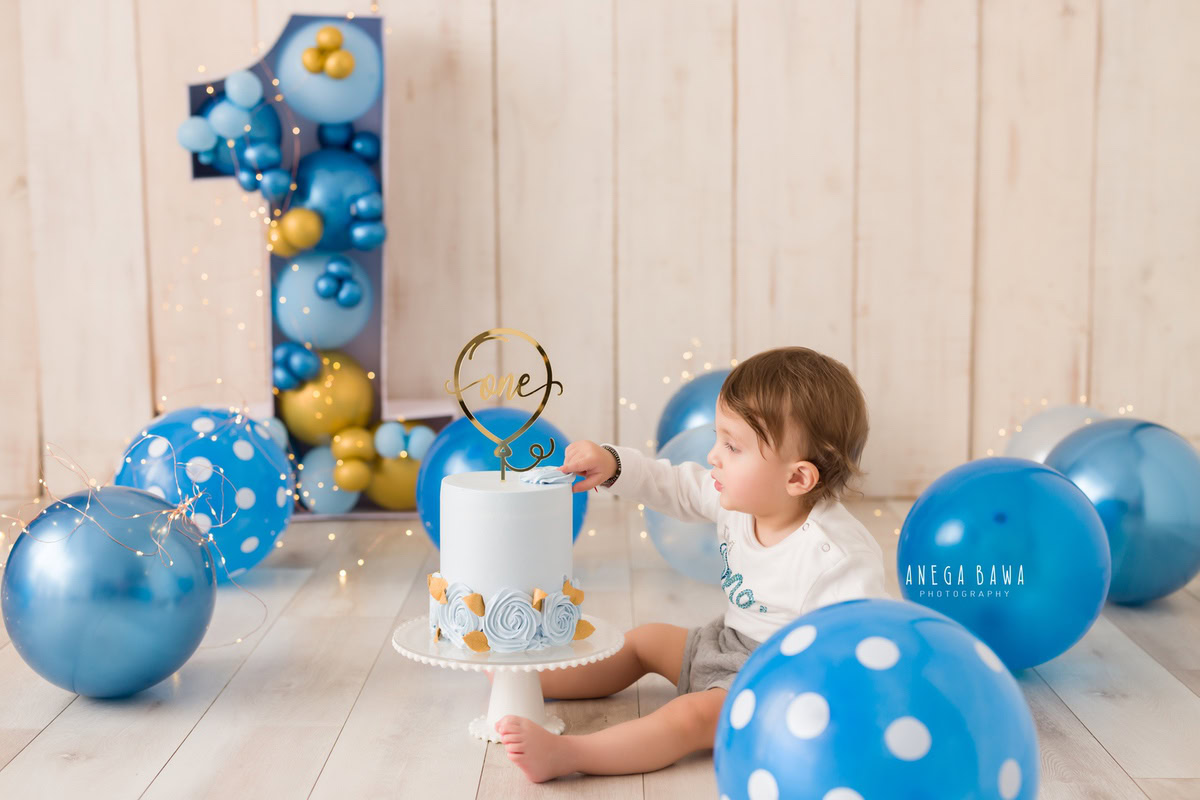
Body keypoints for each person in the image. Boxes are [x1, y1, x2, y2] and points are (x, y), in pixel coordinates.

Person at [493, 346, 889, 782]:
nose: (714, 456)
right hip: (724, 641)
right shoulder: (741, 499)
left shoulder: (836, 556)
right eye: (719, 439)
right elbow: (674, 485)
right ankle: (529, 682)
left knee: (688, 717)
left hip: (773, 680)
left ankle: (570, 755)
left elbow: (862, 644)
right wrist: (613, 465)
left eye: (733, 447)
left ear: (797, 478)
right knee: (646, 641)